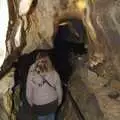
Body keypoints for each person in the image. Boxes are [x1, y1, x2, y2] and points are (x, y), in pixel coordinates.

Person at [26, 53, 63, 120]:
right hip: (53, 103)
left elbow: (28, 93)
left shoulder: (31, 75)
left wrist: (31, 103)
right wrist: (59, 101)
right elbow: (59, 90)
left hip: (39, 106)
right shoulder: (54, 73)